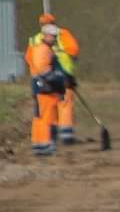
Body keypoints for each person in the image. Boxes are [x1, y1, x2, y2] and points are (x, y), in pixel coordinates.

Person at [25, 13, 82, 156]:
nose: (55, 39)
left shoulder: (35, 40)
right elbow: (44, 67)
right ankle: (47, 143)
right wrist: (60, 77)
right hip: (48, 84)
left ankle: (42, 144)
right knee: (47, 115)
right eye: (53, 37)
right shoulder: (54, 41)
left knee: (42, 115)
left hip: (46, 82)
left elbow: (29, 59)